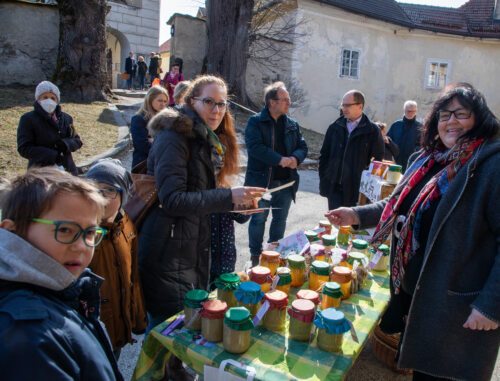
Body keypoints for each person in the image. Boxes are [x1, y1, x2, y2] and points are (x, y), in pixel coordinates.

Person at [325, 83, 499, 381]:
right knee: (423, 373)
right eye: (444, 115)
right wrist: (355, 214)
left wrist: (490, 305)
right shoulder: (427, 158)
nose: (451, 121)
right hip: (420, 296)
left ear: (480, 119)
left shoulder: (490, 165)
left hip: (458, 308)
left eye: (461, 114)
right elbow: (397, 205)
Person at [139, 76, 264, 379]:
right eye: (209, 101)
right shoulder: (174, 136)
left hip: (190, 246)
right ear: (191, 101)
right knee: (162, 330)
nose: (216, 109)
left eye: (222, 104)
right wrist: (227, 196)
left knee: (181, 327)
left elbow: (203, 196)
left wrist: (237, 203)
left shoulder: (206, 138)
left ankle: (173, 373)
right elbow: (173, 199)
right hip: (167, 248)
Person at [0, 167, 123, 381]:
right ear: (12, 231)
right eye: (65, 230)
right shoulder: (30, 334)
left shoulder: (61, 290)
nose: (82, 246)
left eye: (90, 233)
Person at [85, 159, 147, 359]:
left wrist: (137, 319)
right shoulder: (82, 233)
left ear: (123, 195)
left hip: (118, 327)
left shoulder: (126, 225)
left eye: (108, 190)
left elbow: (133, 276)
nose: (99, 198)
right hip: (92, 333)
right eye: (93, 189)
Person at [244, 81, 308, 266]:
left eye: (289, 100)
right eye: (285, 100)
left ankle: (272, 255)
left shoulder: (292, 125)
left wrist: (296, 158)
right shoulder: (255, 122)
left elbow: (302, 146)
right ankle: (255, 256)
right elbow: (255, 147)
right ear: (272, 102)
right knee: (258, 219)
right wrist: (279, 159)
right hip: (261, 182)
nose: (289, 103)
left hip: (286, 183)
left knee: (280, 220)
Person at [319, 89, 384, 209]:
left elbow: (378, 162)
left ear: (360, 106)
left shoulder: (372, 131)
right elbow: (324, 156)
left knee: (352, 228)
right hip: (335, 189)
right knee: (335, 224)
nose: (344, 108)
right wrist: (325, 180)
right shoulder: (334, 127)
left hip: (357, 191)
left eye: (348, 105)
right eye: (343, 105)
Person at [17, 80, 83, 175]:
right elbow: (24, 148)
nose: (49, 100)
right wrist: (52, 155)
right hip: (41, 175)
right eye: (45, 97)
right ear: (38, 99)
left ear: (57, 101)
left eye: (53, 98)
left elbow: (77, 140)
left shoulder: (66, 118)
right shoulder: (28, 119)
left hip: (68, 171)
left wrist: (65, 144)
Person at [130, 86, 169, 168]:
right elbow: (142, 145)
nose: (163, 104)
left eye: (165, 101)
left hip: (162, 165)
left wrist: (154, 141)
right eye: (160, 100)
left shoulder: (166, 119)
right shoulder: (138, 119)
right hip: (144, 165)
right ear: (150, 100)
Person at [388, 100, 422, 171]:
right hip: (394, 162)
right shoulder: (396, 125)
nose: (410, 113)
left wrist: (414, 152)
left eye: (413, 111)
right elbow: (388, 141)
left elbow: (422, 145)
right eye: (408, 111)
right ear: (404, 110)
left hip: (411, 164)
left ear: (416, 111)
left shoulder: (420, 127)